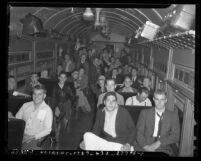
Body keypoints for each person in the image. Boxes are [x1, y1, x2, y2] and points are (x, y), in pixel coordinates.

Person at [134, 89, 180, 156]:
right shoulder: (144, 113)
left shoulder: (173, 116)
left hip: (163, 146)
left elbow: (175, 136)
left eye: (162, 99)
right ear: (153, 99)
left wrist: (159, 142)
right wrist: (146, 147)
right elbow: (138, 132)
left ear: (166, 100)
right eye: (157, 99)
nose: (159, 102)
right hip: (143, 144)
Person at [15, 85, 53, 150]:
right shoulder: (25, 105)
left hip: (36, 138)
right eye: (34, 94)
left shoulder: (47, 110)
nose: (36, 97)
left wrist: (32, 137)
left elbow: (47, 130)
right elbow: (17, 120)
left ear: (44, 96)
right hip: (21, 135)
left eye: (39, 94)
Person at [52, 71, 76, 141]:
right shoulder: (55, 87)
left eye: (64, 77)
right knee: (57, 120)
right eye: (61, 77)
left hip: (66, 105)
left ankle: (62, 129)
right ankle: (56, 134)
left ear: (66, 79)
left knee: (64, 121)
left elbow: (72, 97)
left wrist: (69, 101)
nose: (62, 79)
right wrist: (56, 107)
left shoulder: (68, 87)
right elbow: (54, 99)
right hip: (58, 105)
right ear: (58, 78)